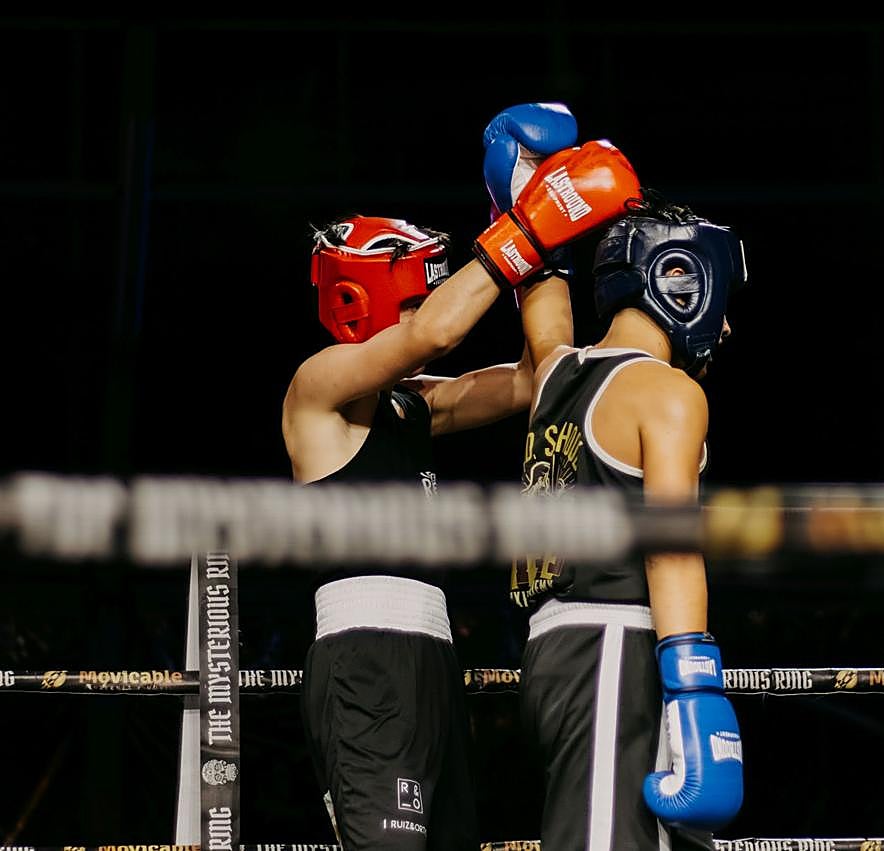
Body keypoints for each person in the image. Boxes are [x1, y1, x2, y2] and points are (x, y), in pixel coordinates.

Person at [282, 114, 641, 849]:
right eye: (411, 295)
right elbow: (434, 334)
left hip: (434, 664)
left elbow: (536, 381)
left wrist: (543, 248)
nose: (421, 308)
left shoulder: (412, 406)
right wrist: (523, 223)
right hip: (365, 664)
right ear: (363, 301)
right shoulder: (314, 390)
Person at [486, 104, 747, 850]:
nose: (724, 328)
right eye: (720, 300)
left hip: (551, 655)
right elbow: (671, 546)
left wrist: (520, 205)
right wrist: (696, 689)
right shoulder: (668, 393)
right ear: (682, 281)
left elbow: (542, 314)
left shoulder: (558, 376)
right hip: (620, 650)